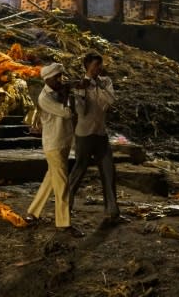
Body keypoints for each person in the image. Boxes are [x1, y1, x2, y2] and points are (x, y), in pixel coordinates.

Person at [24, 62, 84, 238]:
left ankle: (33, 212)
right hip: (54, 145)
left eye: (61, 76)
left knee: (51, 179)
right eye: (57, 77)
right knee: (62, 185)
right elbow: (66, 113)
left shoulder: (57, 92)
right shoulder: (45, 98)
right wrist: (67, 95)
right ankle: (63, 223)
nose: (60, 80)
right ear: (47, 79)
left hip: (63, 141)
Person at [68, 53, 123, 226]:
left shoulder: (106, 82)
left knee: (108, 170)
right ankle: (64, 207)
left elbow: (111, 101)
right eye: (94, 67)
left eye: (99, 66)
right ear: (87, 67)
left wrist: (98, 84)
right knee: (79, 170)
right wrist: (82, 91)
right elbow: (81, 110)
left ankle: (112, 211)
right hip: (84, 134)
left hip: (100, 133)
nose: (98, 69)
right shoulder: (79, 84)